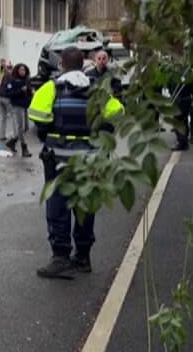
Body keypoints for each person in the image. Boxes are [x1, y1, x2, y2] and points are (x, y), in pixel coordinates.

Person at [28, 47, 124, 279]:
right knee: (85, 206)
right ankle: (83, 257)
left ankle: (60, 257)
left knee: (58, 207)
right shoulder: (97, 90)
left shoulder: (52, 87)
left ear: (61, 64)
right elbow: (118, 112)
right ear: (84, 64)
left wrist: (50, 131)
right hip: (90, 160)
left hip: (59, 161)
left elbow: (37, 115)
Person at [2, 63, 33, 157]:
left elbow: (27, 92)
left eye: (24, 70)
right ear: (17, 70)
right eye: (21, 70)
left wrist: (30, 92)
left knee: (24, 128)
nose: (23, 72)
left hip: (24, 106)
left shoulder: (26, 80)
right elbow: (8, 94)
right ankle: (24, 148)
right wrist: (20, 91)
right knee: (21, 127)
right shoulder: (12, 81)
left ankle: (12, 142)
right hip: (17, 106)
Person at [0, 60, 15, 143]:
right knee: (14, 116)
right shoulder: (10, 76)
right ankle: (15, 134)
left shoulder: (1, 76)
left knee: (2, 117)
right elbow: (10, 87)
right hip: (6, 98)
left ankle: (1, 135)